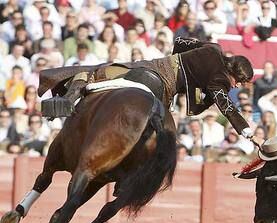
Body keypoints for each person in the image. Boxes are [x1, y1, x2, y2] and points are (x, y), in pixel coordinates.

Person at [39, 37, 263, 148]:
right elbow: (227, 107)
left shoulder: (214, 48)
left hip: (151, 66)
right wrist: (246, 131)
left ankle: (69, 97)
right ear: (233, 72)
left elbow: (181, 42)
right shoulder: (220, 80)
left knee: (97, 72)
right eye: (239, 82)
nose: (236, 86)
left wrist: (184, 66)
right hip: (163, 87)